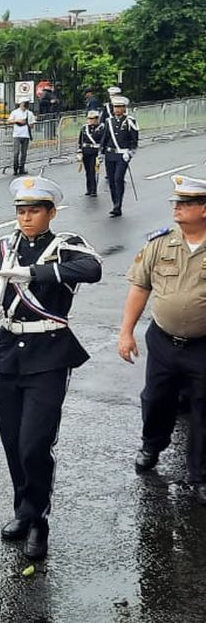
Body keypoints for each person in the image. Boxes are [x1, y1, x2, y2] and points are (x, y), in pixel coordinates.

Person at [0, 176, 102, 561]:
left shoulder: (64, 246)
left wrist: (34, 274)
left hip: (48, 355)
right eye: (21, 211)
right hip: (9, 352)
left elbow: (92, 269)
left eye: (33, 211)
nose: (25, 218)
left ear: (50, 213)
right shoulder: (3, 247)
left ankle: (39, 520)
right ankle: (22, 512)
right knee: (13, 444)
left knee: (34, 446)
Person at [120, 175, 206, 504]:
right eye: (176, 203)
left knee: (203, 409)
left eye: (185, 204)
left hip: (202, 346)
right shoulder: (159, 243)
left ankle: (199, 474)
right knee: (156, 399)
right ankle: (152, 445)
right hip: (163, 341)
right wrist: (126, 332)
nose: (177, 209)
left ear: (204, 209)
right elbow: (140, 287)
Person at [101, 95, 139, 217]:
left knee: (118, 179)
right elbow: (105, 138)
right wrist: (101, 153)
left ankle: (118, 205)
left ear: (124, 108)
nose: (117, 109)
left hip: (122, 155)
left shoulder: (129, 121)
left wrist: (130, 153)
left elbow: (134, 140)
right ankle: (115, 204)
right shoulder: (109, 122)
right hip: (110, 154)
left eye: (119, 107)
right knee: (111, 180)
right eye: (115, 107)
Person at [78, 111, 103, 197]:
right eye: (90, 119)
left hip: (94, 152)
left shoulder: (101, 128)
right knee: (87, 171)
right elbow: (80, 141)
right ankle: (88, 189)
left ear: (97, 119)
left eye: (94, 119)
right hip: (86, 151)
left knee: (93, 171)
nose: (91, 120)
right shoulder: (84, 128)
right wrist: (79, 151)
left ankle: (93, 190)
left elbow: (102, 141)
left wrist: (101, 153)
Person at [9, 98, 36, 176]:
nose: (24, 106)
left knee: (24, 153)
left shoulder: (29, 113)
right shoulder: (15, 112)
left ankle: (22, 168)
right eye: (24, 104)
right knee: (16, 152)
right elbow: (9, 121)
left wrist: (27, 123)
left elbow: (32, 125)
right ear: (20, 104)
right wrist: (18, 121)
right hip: (17, 135)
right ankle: (15, 168)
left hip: (26, 135)